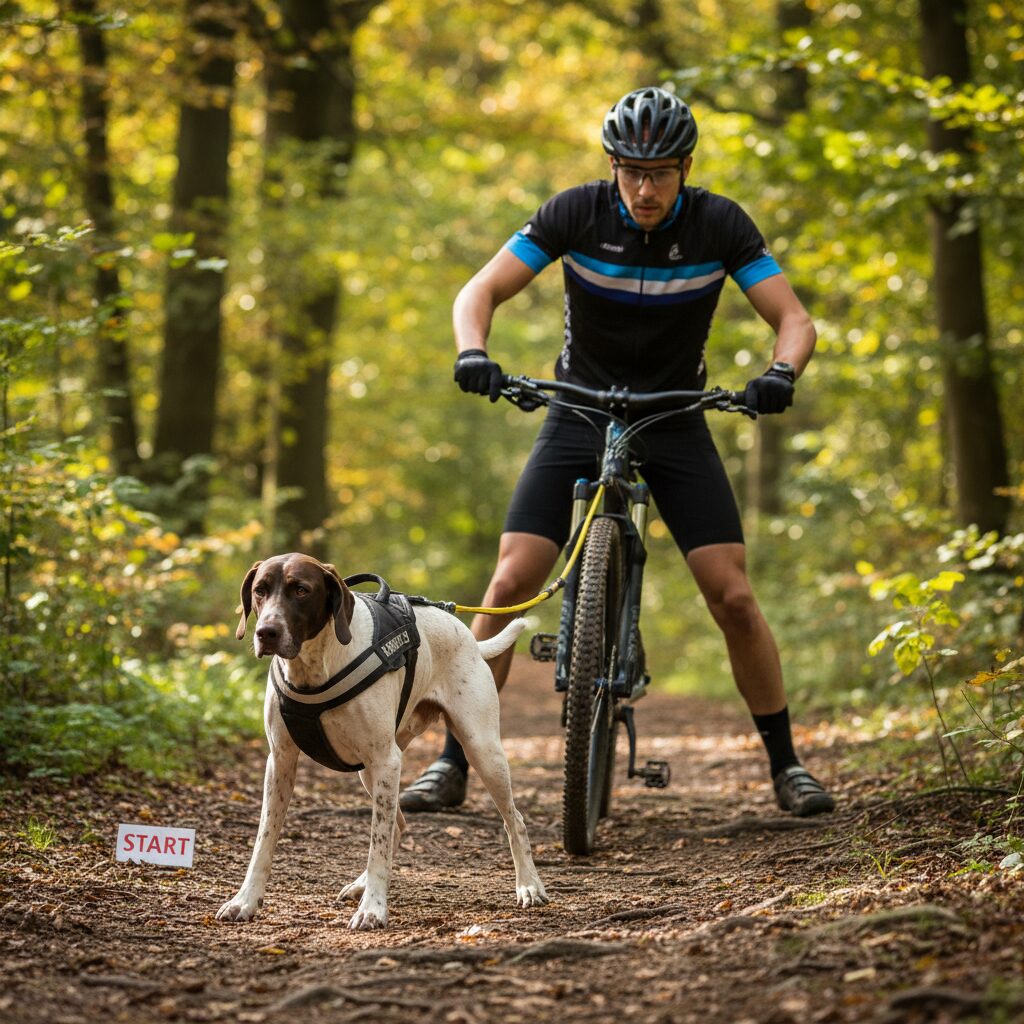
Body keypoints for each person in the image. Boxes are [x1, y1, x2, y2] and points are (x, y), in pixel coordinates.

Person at [400, 85, 834, 819]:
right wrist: (473, 351)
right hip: (578, 411)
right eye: (630, 170)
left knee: (731, 593)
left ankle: (786, 763)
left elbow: (792, 318)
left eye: (661, 171)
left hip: (675, 418)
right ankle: (452, 762)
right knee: (509, 582)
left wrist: (781, 372)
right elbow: (480, 290)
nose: (644, 187)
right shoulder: (575, 212)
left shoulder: (721, 225)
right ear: (612, 165)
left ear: (685, 167)